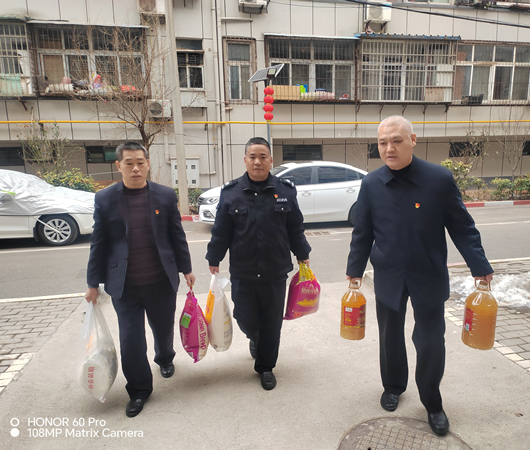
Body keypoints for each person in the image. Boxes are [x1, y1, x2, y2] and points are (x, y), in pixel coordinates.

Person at [346, 116, 493, 436]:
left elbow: (462, 227)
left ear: (412, 140)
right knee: (389, 336)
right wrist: (354, 271)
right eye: (383, 143)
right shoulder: (371, 183)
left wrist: (479, 267)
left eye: (397, 141)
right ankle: (393, 386)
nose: (389, 148)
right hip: (388, 274)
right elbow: (363, 232)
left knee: (430, 341)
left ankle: (432, 402)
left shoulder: (438, 179)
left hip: (428, 274)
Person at [85, 142, 195, 418]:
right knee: (131, 340)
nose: (135, 168)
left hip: (161, 280)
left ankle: (165, 358)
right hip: (125, 286)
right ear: (118, 165)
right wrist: (92, 284)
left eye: (140, 162)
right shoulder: (105, 199)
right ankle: (138, 390)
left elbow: (177, 235)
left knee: (163, 328)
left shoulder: (164, 196)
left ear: (147, 164)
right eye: (129, 163)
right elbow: (98, 244)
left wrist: (186, 269)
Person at [206, 137, 311, 390]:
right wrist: (214, 257)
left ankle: (265, 367)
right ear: (245, 160)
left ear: (271, 160)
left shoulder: (285, 191)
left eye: (263, 157)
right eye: (252, 157)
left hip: (275, 271)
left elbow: (295, 228)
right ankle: (255, 338)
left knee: (272, 323)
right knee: (245, 318)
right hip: (243, 272)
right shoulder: (231, 193)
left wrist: (302, 254)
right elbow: (221, 231)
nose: (257, 162)